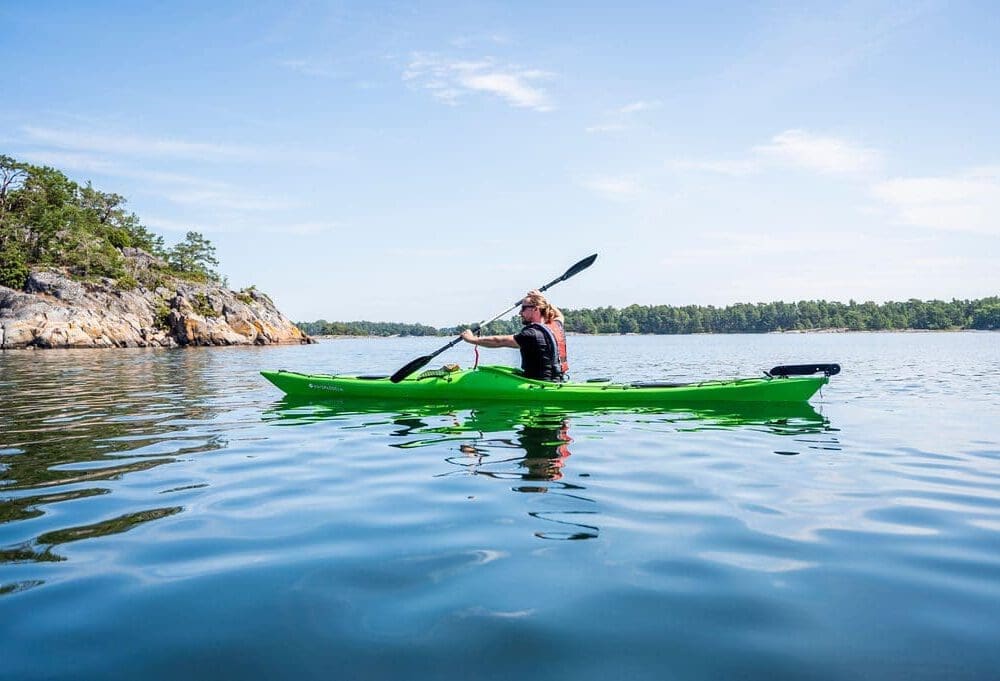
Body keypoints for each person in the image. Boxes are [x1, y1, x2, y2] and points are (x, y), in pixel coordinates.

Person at [460, 290, 569, 381]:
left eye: (523, 308)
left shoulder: (531, 334)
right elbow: (560, 315)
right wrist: (543, 299)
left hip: (538, 383)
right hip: (559, 380)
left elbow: (499, 341)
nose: (520, 313)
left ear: (535, 309)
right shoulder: (556, 326)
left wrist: (472, 339)